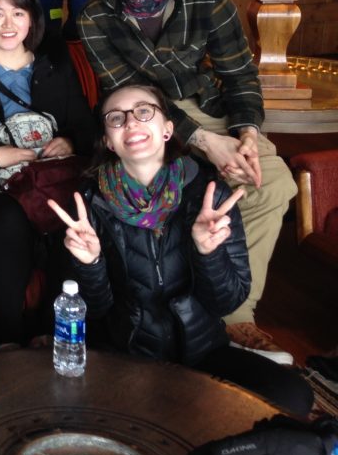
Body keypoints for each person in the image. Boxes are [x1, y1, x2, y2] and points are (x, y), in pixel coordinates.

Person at [77, 0, 297, 363]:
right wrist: (205, 143)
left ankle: (235, 315)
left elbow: (239, 75)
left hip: (216, 111)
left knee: (273, 182)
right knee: (190, 182)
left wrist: (246, 133)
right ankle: (211, 311)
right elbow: (128, 93)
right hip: (147, 116)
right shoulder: (96, 17)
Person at [50, 84, 313, 417]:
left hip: (202, 353)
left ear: (167, 129)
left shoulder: (209, 194)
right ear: (108, 141)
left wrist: (208, 253)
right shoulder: (89, 203)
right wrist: (90, 263)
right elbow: (96, 310)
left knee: (293, 397)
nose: (131, 122)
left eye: (144, 112)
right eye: (116, 118)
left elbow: (227, 301)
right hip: (127, 358)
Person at [0, 0, 96, 347]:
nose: (9, 24)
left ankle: (53, 335)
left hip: (51, 179)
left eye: (18, 13)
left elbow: (86, 127)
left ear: (32, 19)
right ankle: (7, 340)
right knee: (9, 216)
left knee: (69, 215)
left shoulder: (54, 67)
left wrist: (68, 140)